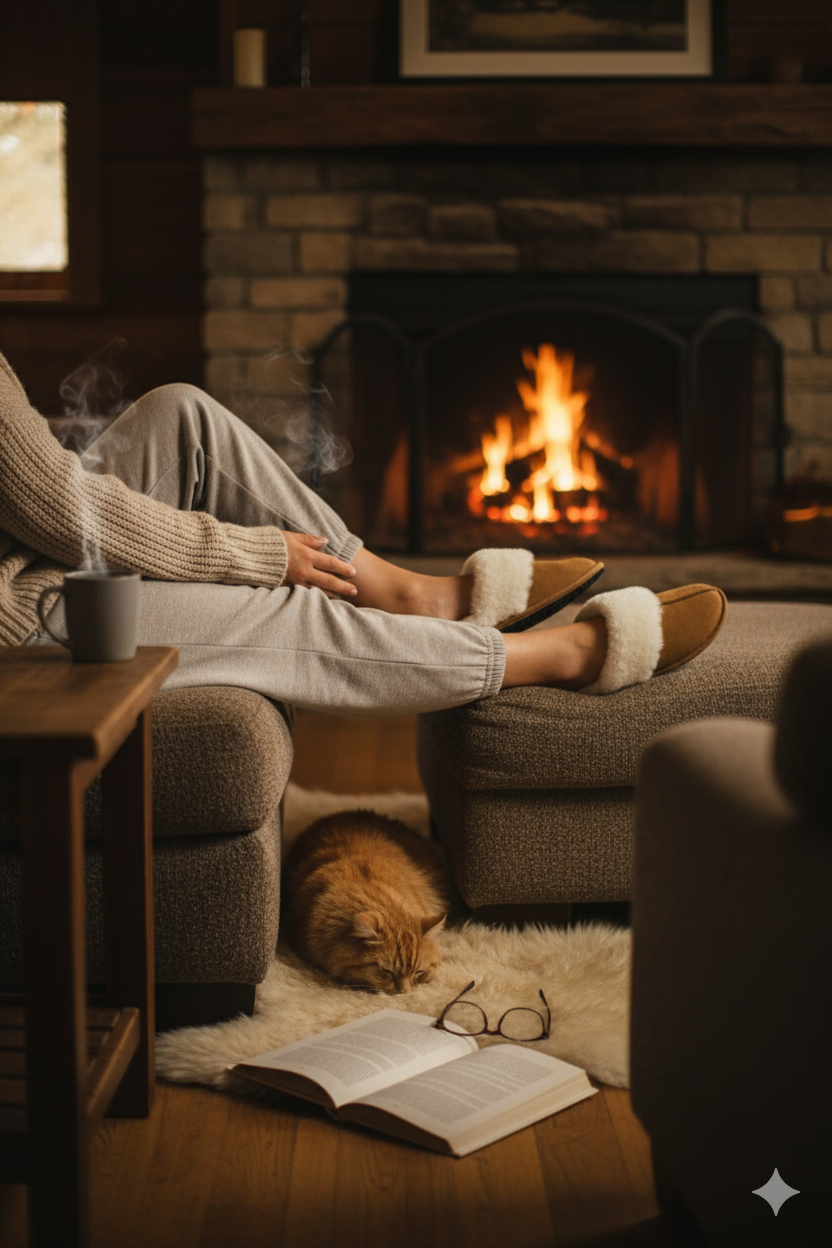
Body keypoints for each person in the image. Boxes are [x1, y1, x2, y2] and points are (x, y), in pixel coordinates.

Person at [0, 350, 726, 710]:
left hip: (21, 549)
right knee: (289, 602)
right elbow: (59, 509)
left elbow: (35, 482)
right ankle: (559, 656)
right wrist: (253, 555)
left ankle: (410, 593)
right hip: (14, 617)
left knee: (180, 413)